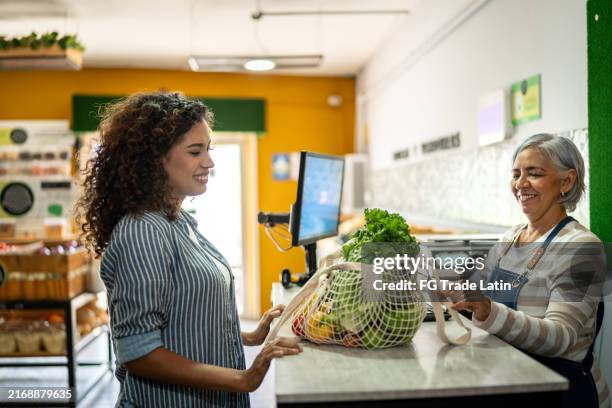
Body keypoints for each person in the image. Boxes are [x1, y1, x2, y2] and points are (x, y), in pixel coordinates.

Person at [77, 91, 302, 407]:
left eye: (207, 149)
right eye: (195, 151)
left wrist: (250, 336)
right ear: (154, 160)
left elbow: (185, 323)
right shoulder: (143, 231)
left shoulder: (176, 219)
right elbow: (140, 352)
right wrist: (243, 378)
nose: (209, 161)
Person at [450, 133, 609, 408]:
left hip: (562, 390)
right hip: (511, 378)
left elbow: (560, 338)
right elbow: (477, 293)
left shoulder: (582, 247)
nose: (521, 184)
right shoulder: (509, 239)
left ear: (567, 181)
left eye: (534, 174)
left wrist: (488, 311)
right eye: (516, 174)